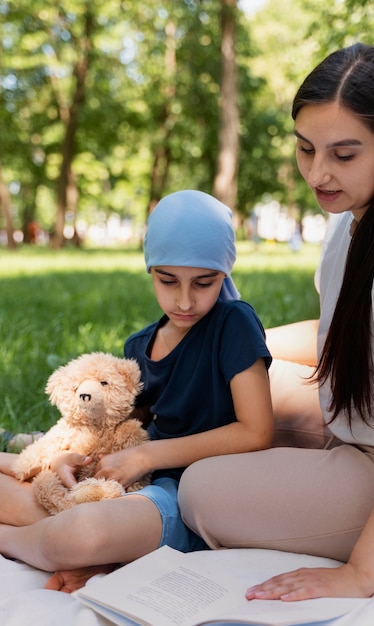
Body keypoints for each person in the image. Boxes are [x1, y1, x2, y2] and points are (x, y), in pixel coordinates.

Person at [178, 43, 374, 601]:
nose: (318, 171)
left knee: (200, 490)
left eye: (344, 153)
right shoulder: (349, 216)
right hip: (353, 424)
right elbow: (349, 339)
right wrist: (234, 344)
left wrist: (360, 574)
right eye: (306, 149)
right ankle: (77, 447)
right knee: (232, 374)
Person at [0, 189, 274, 592]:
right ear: (150, 271)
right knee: (40, 491)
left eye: (204, 282)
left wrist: (145, 455)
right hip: (131, 488)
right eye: (167, 280)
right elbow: (116, 432)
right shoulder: (138, 347)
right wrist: (68, 458)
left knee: (82, 533)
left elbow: (257, 432)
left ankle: (56, 546)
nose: (184, 300)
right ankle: (94, 552)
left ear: (225, 273)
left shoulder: (233, 323)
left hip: (188, 501)